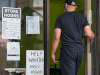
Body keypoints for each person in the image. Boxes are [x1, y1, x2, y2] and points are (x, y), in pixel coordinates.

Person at [51, 0, 95, 75]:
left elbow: (56, 37)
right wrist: (94, 36)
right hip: (79, 50)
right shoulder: (82, 18)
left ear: (66, 5)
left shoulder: (60, 18)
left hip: (68, 50)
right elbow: (89, 34)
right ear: (76, 6)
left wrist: (53, 53)